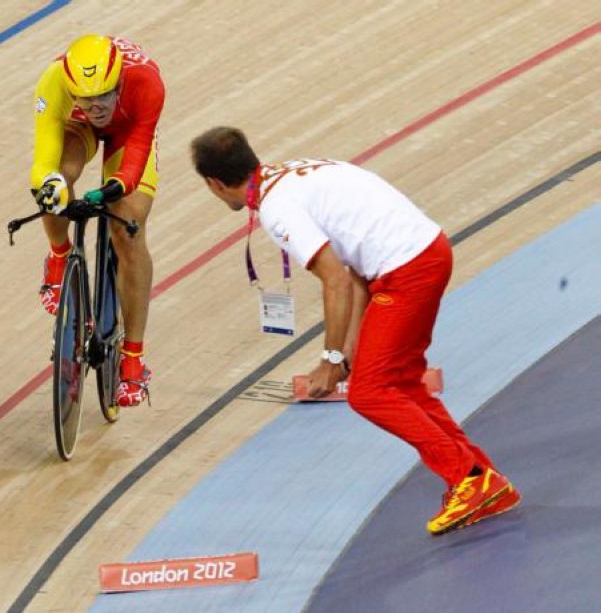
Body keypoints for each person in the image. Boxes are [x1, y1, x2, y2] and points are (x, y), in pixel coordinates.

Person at [190, 126, 520, 535]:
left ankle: (469, 481)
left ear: (215, 184)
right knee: (399, 383)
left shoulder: (277, 209)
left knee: (370, 393)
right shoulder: (293, 172)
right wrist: (347, 354)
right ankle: (482, 478)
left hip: (407, 270)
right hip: (421, 253)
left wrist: (330, 361)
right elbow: (356, 270)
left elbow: (336, 281)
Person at [30, 34, 164, 407]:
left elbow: (137, 150)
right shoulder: (53, 83)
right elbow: (42, 161)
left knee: (128, 226)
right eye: (87, 98)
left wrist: (117, 187)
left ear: (119, 80)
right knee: (56, 180)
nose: (97, 105)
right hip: (77, 130)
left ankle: (134, 361)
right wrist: (51, 184)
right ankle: (59, 256)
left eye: (105, 94)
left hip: (128, 132)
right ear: (72, 90)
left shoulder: (146, 83)